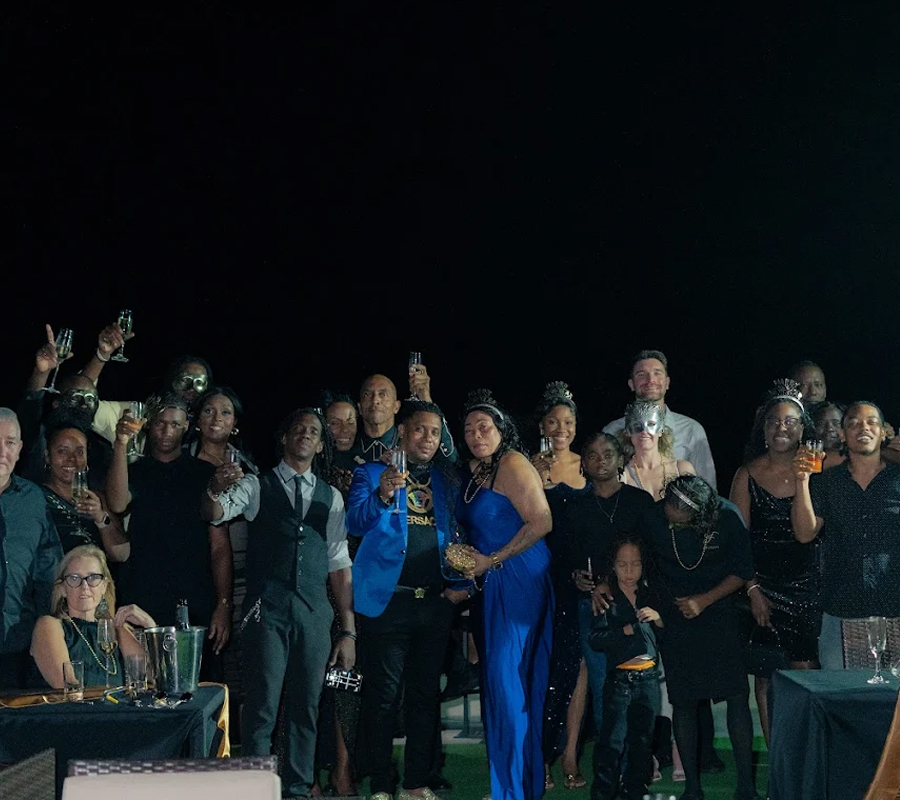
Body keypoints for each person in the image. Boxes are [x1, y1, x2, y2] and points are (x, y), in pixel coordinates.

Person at [202, 407, 355, 800]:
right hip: (264, 610)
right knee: (262, 707)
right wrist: (215, 488)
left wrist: (348, 628)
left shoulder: (331, 497)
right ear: (285, 439)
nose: (305, 434)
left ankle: (299, 790)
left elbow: (339, 564)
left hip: (314, 614)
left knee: (307, 708)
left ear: (321, 444)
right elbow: (214, 512)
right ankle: (256, 788)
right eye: (298, 429)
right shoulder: (257, 486)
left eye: (314, 431)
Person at [348, 400, 469, 800]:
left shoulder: (447, 482)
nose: (427, 439)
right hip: (388, 604)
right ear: (402, 431)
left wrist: (464, 583)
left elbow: (462, 534)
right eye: (419, 429)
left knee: (424, 697)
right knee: (382, 699)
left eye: (435, 432)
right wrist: (383, 492)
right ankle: (382, 785)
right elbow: (355, 523)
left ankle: (416, 784)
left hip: (434, 604)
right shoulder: (369, 472)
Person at [456, 389, 553, 800]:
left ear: (502, 430)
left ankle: (512, 790)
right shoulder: (474, 471)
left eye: (485, 426)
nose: (476, 434)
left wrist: (493, 559)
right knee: (499, 684)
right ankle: (511, 785)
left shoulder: (513, 463)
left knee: (508, 682)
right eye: (469, 429)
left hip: (517, 577)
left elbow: (542, 521)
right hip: (490, 579)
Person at [638, 475, 759, 800]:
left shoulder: (727, 516)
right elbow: (639, 559)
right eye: (669, 503)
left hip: (720, 612)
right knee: (684, 701)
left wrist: (704, 599)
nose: (670, 511)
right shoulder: (653, 516)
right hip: (676, 615)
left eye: (678, 509)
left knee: (736, 697)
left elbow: (742, 570)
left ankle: (746, 785)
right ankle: (692, 786)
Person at [105, 393, 232, 664]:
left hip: (194, 598)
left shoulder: (203, 473)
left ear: (186, 427)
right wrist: (120, 442)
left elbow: (219, 545)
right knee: (143, 682)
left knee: (195, 686)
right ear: (150, 425)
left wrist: (223, 604)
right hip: (142, 594)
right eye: (161, 423)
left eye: (174, 424)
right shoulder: (136, 470)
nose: (166, 431)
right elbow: (116, 503)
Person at [729, 380, 820, 744]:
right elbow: (736, 544)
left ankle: (808, 758)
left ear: (802, 429)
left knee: (807, 677)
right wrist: (752, 590)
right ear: (763, 429)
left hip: (806, 588)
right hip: (761, 590)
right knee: (765, 680)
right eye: (774, 422)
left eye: (790, 422)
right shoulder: (746, 474)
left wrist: (804, 480)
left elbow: (807, 534)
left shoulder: (817, 472)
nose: (781, 428)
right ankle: (778, 767)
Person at [792, 401, 900, 670]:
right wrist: (802, 480)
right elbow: (805, 533)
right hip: (842, 610)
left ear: (885, 432)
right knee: (841, 702)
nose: (863, 427)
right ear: (842, 435)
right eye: (853, 423)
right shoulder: (827, 482)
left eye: (871, 422)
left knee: (893, 707)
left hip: (894, 609)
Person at [565, 435, 655, 754]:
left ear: (621, 459)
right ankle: (611, 766)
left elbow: (652, 554)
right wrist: (576, 577)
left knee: (639, 687)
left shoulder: (640, 502)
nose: (600, 460)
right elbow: (565, 557)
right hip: (594, 607)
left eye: (607, 454)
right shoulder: (575, 508)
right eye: (592, 454)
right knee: (605, 686)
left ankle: (637, 765)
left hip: (635, 607)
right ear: (584, 464)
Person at [530, 381, 588, 791]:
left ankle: (570, 752)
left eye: (568, 421)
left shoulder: (590, 465)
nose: (561, 428)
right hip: (539, 578)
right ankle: (540, 756)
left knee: (576, 669)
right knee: (543, 668)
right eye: (553, 421)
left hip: (580, 582)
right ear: (542, 426)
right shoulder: (528, 467)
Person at [588, 536, 663, 800]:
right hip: (619, 680)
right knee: (611, 742)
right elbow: (595, 639)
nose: (629, 571)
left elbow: (672, 632)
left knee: (642, 744)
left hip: (649, 679)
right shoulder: (606, 598)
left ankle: (635, 791)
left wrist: (659, 618)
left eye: (635, 564)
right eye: (623, 565)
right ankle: (603, 793)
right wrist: (624, 630)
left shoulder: (651, 593)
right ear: (613, 566)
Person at [30, 544, 156, 688]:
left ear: (104, 586)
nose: (84, 586)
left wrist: (150, 625)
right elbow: (65, 685)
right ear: (63, 588)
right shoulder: (50, 625)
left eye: (93, 578)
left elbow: (153, 677)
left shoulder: (116, 629)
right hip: (71, 710)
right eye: (74, 578)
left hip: (114, 709)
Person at [0, 408, 63, 689]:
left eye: (9, 442)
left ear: (20, 448)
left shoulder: (33, 499)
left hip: (21, 646)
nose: (2, 451)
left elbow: (49, 569)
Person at [603, 350, 716, 490]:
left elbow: (708, 487)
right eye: (641, 374)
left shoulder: (691, 429)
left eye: (657, 373)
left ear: (667, 382)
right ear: (631, 384)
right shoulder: (611, 431)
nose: (650, 380)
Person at [41, 423, 128, 560]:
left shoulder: (97, 498)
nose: (72, 459)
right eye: (63, 451)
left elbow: (121, 555)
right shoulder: (35, 498)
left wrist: (100, 518)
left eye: (79, 452)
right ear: (47, 456)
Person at [350, 370, 456, 465]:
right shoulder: (350, 447)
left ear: (396, 406)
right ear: (359, 408)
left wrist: (426, 401)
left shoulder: (413, 444)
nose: (375, 400)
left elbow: (451, 458)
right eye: (367, 395)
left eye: (383, 394)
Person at [620, 400, 696, 500]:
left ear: (661, 430)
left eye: (651, 424)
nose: (644, 431)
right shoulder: (622, 475)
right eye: (636, 425)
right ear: (628, 431)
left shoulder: (682, 469)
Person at [811, 400, 846, 470]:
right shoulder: (806, 462)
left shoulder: (855, 461)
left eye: (836, 423)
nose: (829, 428)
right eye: (821, 423)